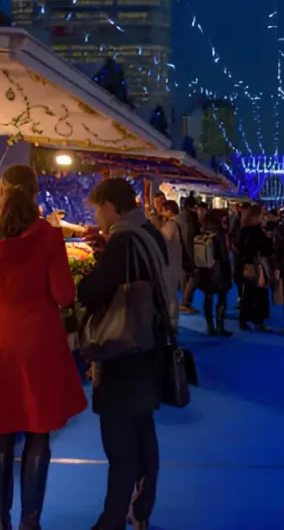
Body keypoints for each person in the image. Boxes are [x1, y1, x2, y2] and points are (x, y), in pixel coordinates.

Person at [0, 165, 87, 530]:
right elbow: (65, 295)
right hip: (39, 343)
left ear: (0, 191)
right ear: (34, 192)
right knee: (38, 433)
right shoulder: (47, 236)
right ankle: (30, 522)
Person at [78, 178, 174, 530]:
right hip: (149, 343)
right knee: (143, 428)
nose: (97, 217)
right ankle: (141, 509)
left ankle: (113, 518)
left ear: (109, 205)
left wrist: (92, 272)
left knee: (119, 440)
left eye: (97, 209)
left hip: (123, 349)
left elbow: (94, 291)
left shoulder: (124, 239)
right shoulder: (149, 232)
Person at [196, 208, 234, 336]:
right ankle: (220, 326)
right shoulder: (219, 233)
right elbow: (223, 254)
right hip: (218, 270)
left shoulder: (204, 230)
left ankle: (210, 326)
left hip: (205, 269)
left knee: (208, 297)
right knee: (222, 297)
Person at [238, 204, 273, 331]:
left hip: (249, 264)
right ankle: (256, 320)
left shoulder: (246, 229)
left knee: (250, 293)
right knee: (256, 293)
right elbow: (263, 249)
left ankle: (248, 319)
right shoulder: (256, 231)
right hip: (255, 264)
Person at [158, 200, 185, 330]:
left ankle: (172, 322)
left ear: (169, 211)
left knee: (170, 293)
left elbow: (164, 239)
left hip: (170, 262)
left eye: (163, 209)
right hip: (176, 262)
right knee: (171, 292)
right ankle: (172, 321)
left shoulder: (171, 225)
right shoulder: (179, 222)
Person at [178, 197, 201, 314]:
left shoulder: (180, 216)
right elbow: (193, 232)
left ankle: (184, 300)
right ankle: (185, 302)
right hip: (190, 249)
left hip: (181, 249)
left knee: (185, 275)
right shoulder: (191, 217)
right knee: (194, 275)